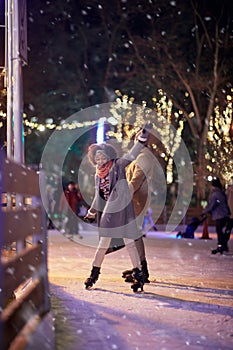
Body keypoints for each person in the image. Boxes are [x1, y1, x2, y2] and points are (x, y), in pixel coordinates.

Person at [84, 128, 150, 292]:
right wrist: (91, 213)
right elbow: (98, 196)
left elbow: (132, 154)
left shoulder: (118, 165)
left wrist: (141, 139)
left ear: (108, 156)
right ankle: (94, 273)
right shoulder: (98, 175)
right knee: (103, 245)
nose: (100, 159)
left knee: (129, 243)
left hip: (123, 210)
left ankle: (139, 274)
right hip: (108, 213)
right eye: (97, 157)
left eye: (103, 156)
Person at [203, 178, 231, 254]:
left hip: (220, 215)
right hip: (225, 214)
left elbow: (211, 204)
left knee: (219, 231)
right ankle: (223, 245)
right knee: (223, 230)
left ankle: (221, 246)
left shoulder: (215, 194)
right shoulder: (222, 193)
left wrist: (205, 212)